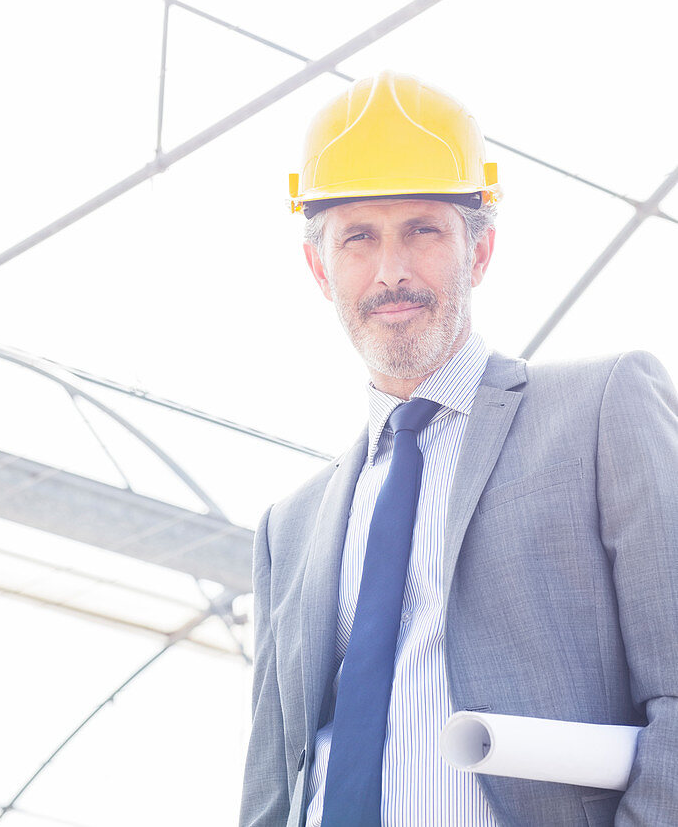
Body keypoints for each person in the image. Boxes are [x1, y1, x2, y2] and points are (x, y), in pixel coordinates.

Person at [239, 71, 678, 827]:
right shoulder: (291, 525)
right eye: (357, 238)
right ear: (320, 269)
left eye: (423, 230)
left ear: (478, 253)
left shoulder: (601, 409)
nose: (391, 271)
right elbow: (274, 778)